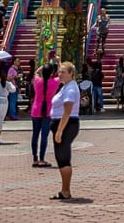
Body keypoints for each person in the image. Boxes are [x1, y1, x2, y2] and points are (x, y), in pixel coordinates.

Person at [49, 61, 80, 201]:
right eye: (59, 72)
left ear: (71, 74)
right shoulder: (65, 86)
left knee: (63, 157)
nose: (59, 75)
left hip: (67, 124)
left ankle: (66, 190)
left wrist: (60, 130)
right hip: (61, 123)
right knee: (60, 156)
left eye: (63, 72)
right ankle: (64, 189)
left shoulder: (71, 89)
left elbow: (67, 111)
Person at [31, 61, 60, 167]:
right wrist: (58, 62)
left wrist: (42, 66)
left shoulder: (37, 81)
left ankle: (35, 158)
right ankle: (42, 159)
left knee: (35, 135)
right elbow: (61, 74)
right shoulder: (54, 82)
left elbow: (36, 72)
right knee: (44, 135)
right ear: (52, 73)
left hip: (36, 110)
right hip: (48, 111)